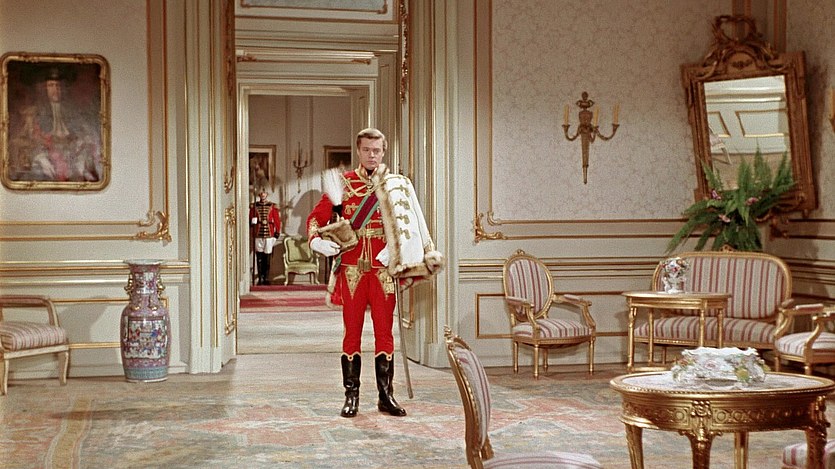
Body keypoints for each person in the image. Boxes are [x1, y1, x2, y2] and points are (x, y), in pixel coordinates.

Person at [307, 128, 443, 418]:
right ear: (358, 150)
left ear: (384, 152)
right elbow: (316, 218)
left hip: (383, 271)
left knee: (384, 333)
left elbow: (411, 224)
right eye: (367, 150)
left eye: (377, 150)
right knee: (351, 333)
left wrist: (399, 250)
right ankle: (351, 395)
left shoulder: (396, 186)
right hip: (352, 270)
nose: (372, 155)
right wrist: (317, 240)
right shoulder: (344, 183)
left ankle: (386, 395)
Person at [249, 190, 281, 285]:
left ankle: (266, 277)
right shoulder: (254, 206)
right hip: (258, 233)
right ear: (259, 195)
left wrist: (277, 231)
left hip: (269, 233)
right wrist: (252, 223)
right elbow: (250, 219)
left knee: (267, 256)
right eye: (261, 193)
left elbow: (277, 220)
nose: (263, 195)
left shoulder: (272, 206)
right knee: (259, 255)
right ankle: (260, 278)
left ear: (266, 195)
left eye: (264, 193)